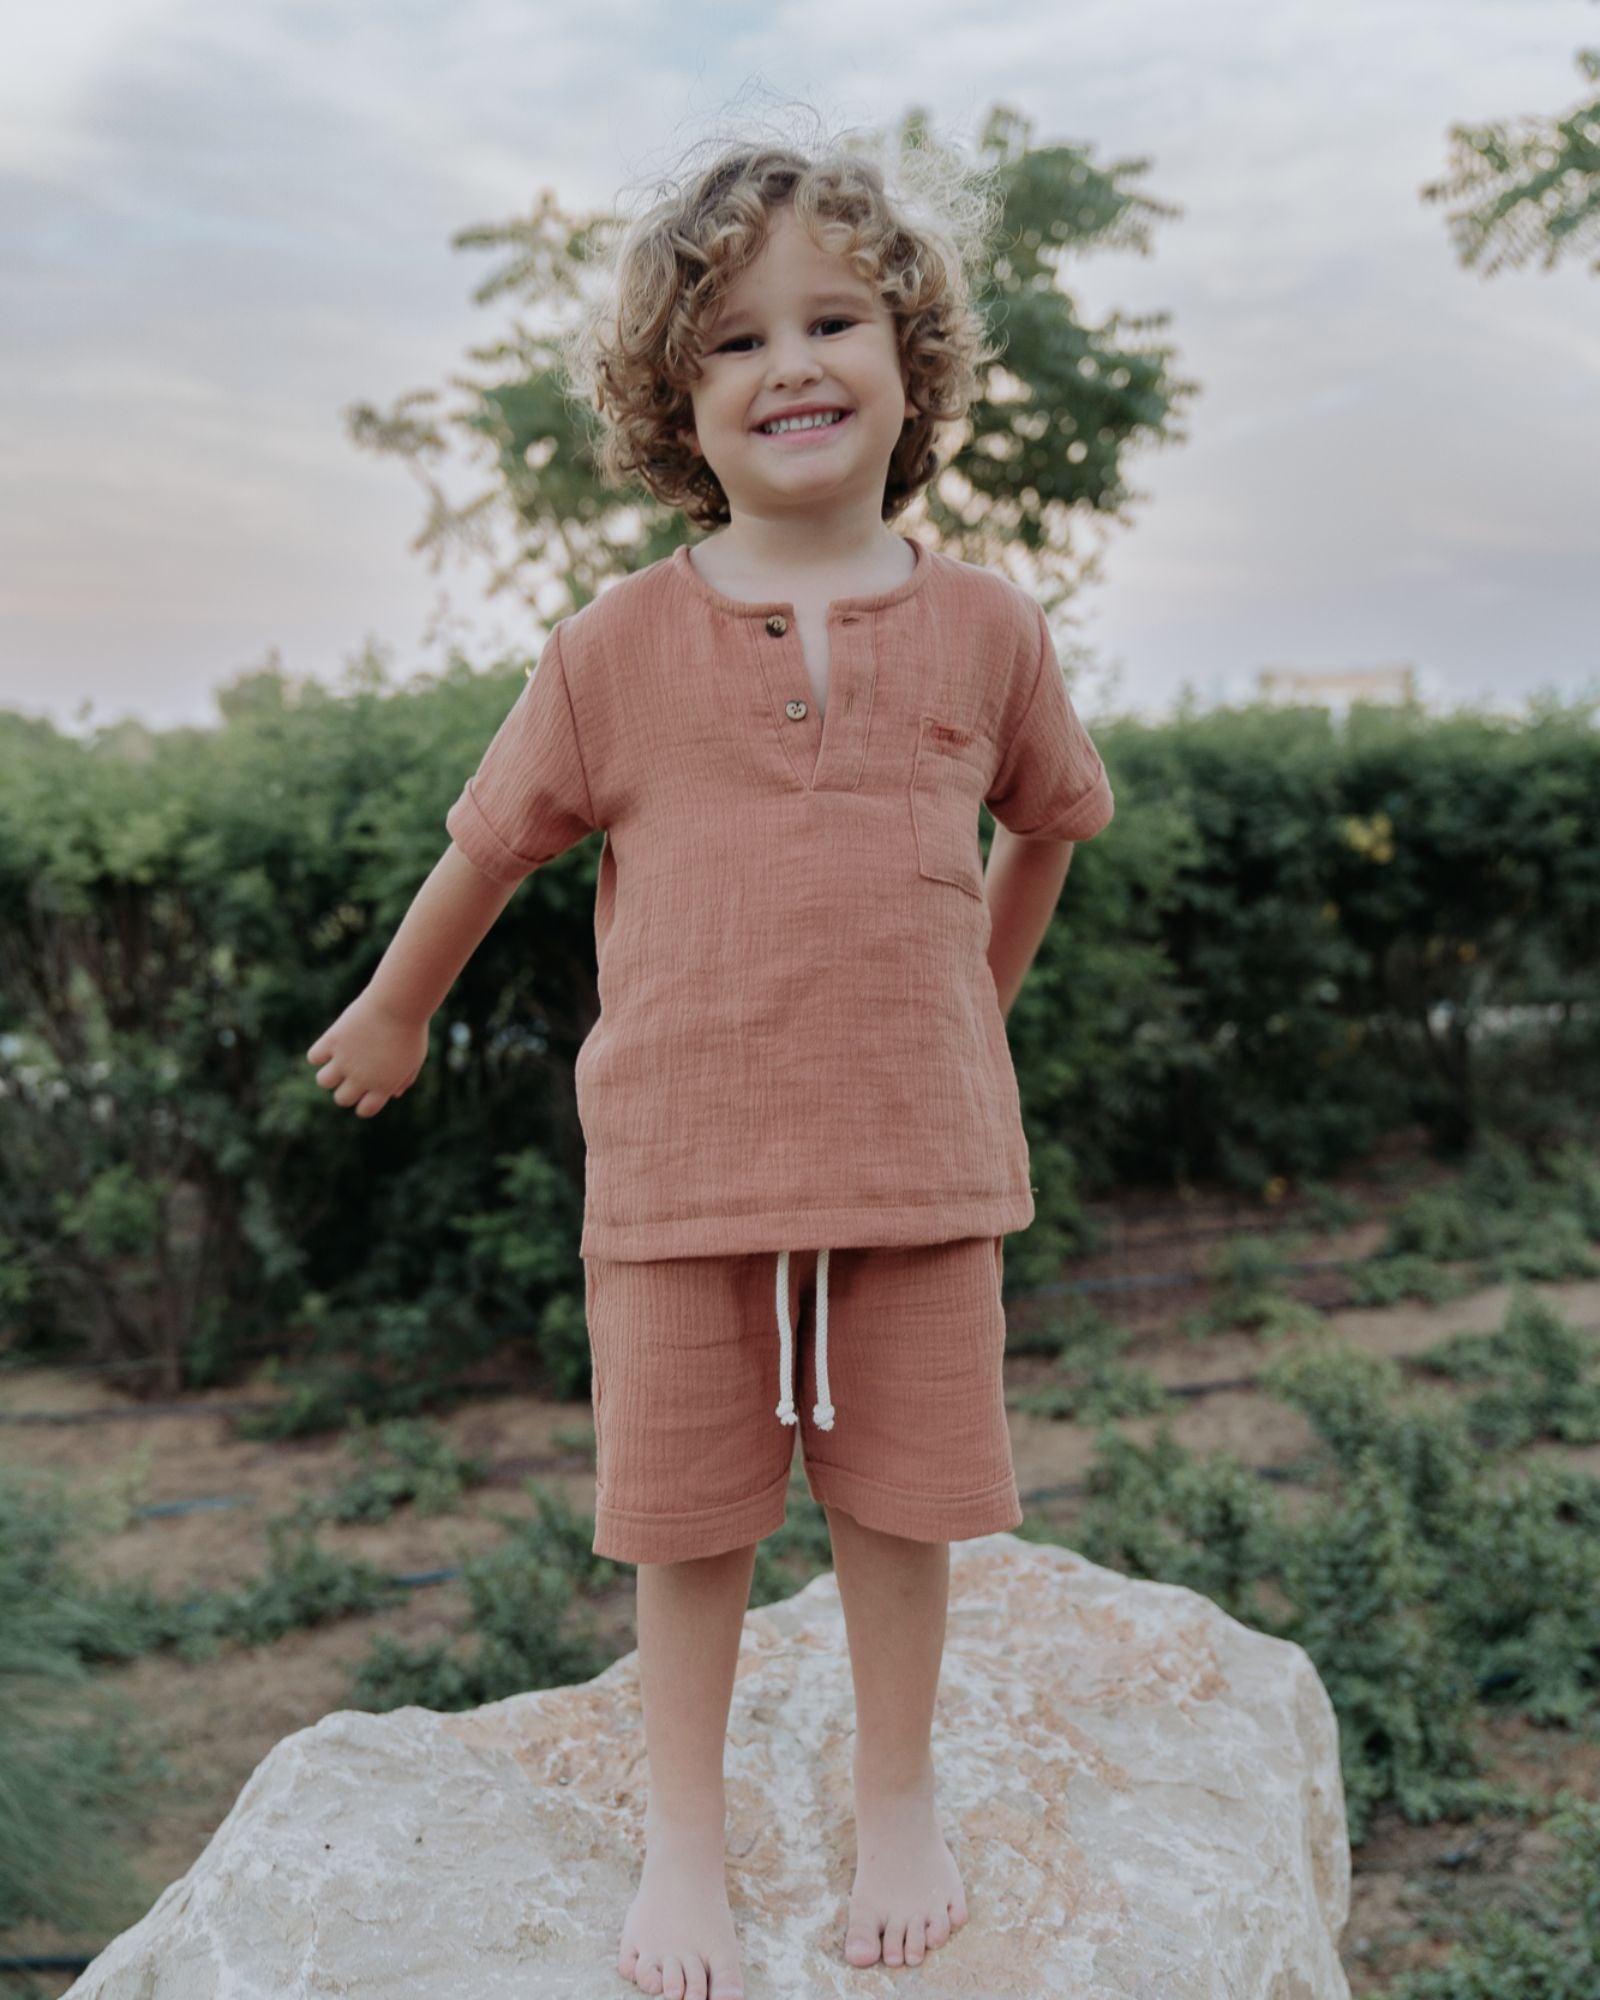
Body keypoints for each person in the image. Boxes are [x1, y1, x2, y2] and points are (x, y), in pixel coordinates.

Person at [307, 127, 1114, 2000]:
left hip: (920, 1168)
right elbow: (492, 843)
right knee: (687, 1522)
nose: (791, 364)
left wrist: (971, 1011)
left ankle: (894, 1797)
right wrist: (398, 1005)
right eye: (736, 340)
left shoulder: (989, 629)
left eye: (833, 318)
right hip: (679, 1172)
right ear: (679, 395)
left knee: (904, 1499)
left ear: (915, 363)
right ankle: (684, 1838)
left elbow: (1052, 821)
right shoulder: (613, 647)